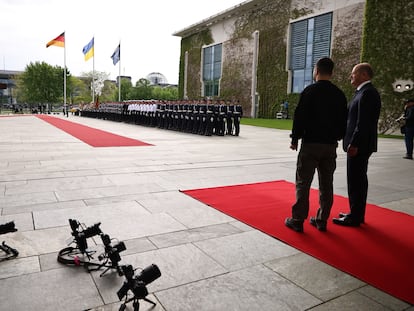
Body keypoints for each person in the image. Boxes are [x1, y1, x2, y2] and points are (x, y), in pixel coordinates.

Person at [285, 57, 348, 232]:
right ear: (332, 72)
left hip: (311, 144)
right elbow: (344, 121)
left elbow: (300, 117)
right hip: (330, 145)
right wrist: (337, 136)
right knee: (326, 183)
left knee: (303, 182)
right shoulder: (339, 94)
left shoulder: (310, 91)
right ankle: (322, 219)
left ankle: (298, 219)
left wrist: (294, 139)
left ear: (316, 71)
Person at [333, 63, 381, 227]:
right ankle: (356, 212)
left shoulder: (367, 93)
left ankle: (355, 216)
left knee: (356, 180)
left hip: (359, 146)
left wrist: (354, 143)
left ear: (364, 75)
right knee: (356, 179)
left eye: (353, 74)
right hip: (359, 144)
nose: (350, 76)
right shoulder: (362, 92)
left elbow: (363, 123)